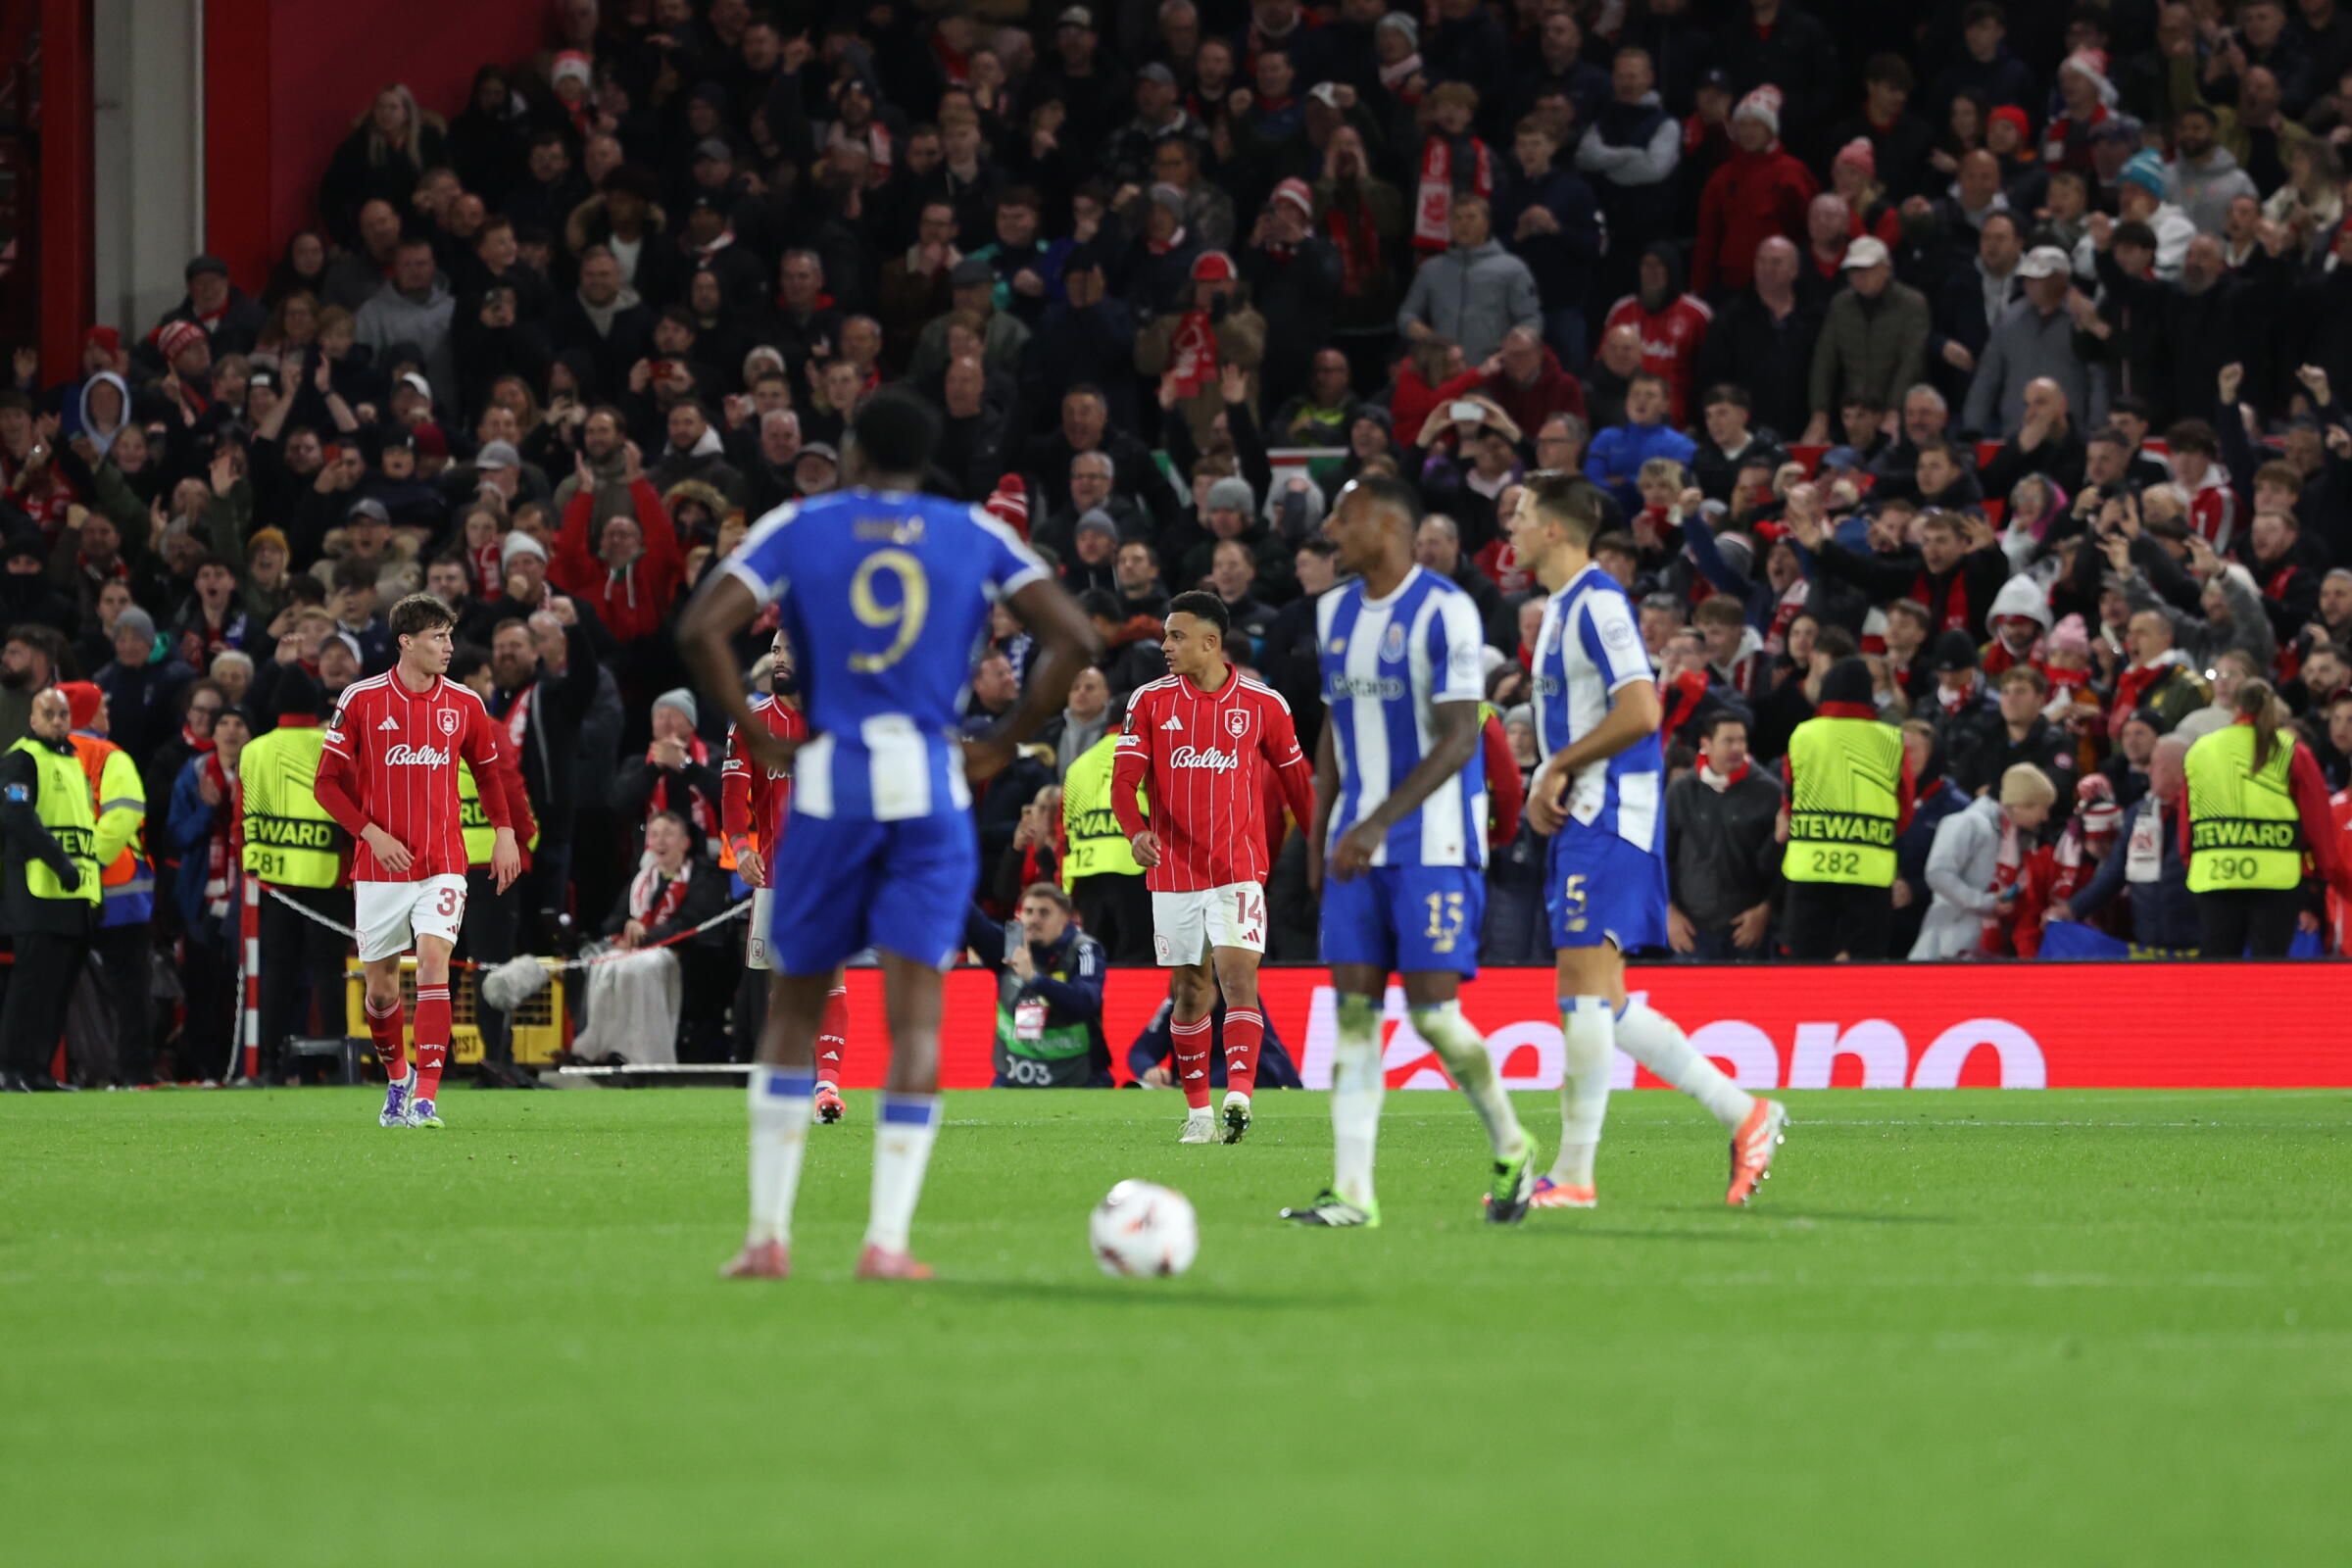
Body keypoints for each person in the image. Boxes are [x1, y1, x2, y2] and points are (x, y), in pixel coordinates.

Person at [677, 387, 1097, 1283]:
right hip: (928, 785)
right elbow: (1073, 633)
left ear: (856, 454)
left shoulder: (802, 524)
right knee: (914, 1017)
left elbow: (702, 626)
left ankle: (767, 1238)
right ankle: (887, 1243)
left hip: (830, 783)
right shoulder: (973, 532)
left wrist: (755, 736)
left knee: (793, 1005)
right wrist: (1003, 740)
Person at [1511, 470, 1788, 1210]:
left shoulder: (1598, 602)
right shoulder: (1562, 607)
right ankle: (1744, 1113)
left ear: (1554, 529)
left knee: (1582, 996)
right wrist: (1548, 776)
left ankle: (1574, 1175)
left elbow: (1640, 709)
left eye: (1521, 515)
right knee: (1605, 1000)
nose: (1510, 528)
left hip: (1609, 815)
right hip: (1587, 815)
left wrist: (1557, 768)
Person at [1280, 475, 1535, 1229]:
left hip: (1434, 843)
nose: (1331, 530)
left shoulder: (1446, 610)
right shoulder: (1331, 611)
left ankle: (1513, 1145)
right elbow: (1333, 730)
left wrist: (1374, 826)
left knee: (1433, 1018)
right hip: (1355, 852)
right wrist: (1323, 832)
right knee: (1354, 1017)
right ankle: (1352, 1192)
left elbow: (1459, 738)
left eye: (1344, 517)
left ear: (1389, 525)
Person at [313, 594, 524, 1129]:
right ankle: (398, 1078)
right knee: (381, 989)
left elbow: (488, 774)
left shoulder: (465, 704)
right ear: (406, 642)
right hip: (380, 866)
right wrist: (371, 834)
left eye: (449, 636)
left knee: (434, 962)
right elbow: (326, 785)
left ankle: (427, 1097)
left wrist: (504, 833)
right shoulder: (361, 699)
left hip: (443, 862)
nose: (448, 647)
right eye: (438, 637)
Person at [1111, 590, 1316, 1145]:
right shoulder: (1149, 702)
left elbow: (1300, 786)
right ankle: (1199, 1112)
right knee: (1190, 992)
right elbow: (1124, 784)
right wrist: (1136, 832)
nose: (1165, 645)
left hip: (1239, 867)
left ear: (1210, 642)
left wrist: (1319, 853)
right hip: (1174, 872)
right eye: (1166, 635)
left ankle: (1239, 1095)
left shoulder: (1264, 704)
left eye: (1176, 636)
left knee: (1238, 977)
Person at [721, 629, 849, 1119]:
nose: (779, 658)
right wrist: (740, 847)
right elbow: (734, 798)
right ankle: (794, 1083)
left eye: (789, 649)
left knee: (831, 978)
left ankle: (827, 1086)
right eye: (775, 649)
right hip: (778, 877)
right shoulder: (752, 724)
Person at [235, 669, 354, 1085]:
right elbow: (353, 806)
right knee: (329, 972)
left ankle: (270, 1063)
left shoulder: (253, 750)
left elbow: (239, 816)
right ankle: (337, 1063)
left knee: (276, 973)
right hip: (327, 876)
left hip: (273, 881)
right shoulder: (331, 744)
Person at [2181, 680, 2351, 957]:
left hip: (2215, 875)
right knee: (2269, 969)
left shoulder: (2201, 750)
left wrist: (2191, 860)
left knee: (2216, 968)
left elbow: (2187, 816)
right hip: (2277, 881)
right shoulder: (2292, 751)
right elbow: (2316, 820)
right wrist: (2320, 875)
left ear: (2236, 708)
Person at [1779, 656, 1913, 958]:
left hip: (1810, 869)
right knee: (1864, 969)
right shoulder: (1891, 740)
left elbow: (1789, 799)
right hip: (1870, 871)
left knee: (1806, 968)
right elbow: (1904, 810)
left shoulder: (1804, 735)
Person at [0, 689, 99, 1092]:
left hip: (74, 894)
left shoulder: (73, 759)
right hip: (37, 891)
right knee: (30, 985)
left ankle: (38, 1070)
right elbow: (16, 816)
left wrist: (91, 889)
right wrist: (59, 863)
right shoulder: (21, 759)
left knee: (59, 988)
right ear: (33, 719)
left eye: (63, 714)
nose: (58, 721)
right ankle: (10, 1069)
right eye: (49, 714)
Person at [58, 681, 154, 1084]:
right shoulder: (110, 756)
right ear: (86, 713)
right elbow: (123, 817)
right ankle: (133, 1074)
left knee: (53, 988)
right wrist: (89, 862)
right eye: (102, 708)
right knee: (130, 991)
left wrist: (66, 868)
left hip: (57, 891)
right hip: (119, 894)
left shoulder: (41, 756)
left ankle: (47, 1071)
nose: (107, 715)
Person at [961, 882, 1112, 1088]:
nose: (1034, 919)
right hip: (1014, 1079)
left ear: (1065, 918)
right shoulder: (1011, 945)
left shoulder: (1084, 949)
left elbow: (1086, 1002)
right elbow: (974, 923)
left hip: (1079, 1080)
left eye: (1044, 913)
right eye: (1028, 911)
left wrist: (1035, 979)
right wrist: (949, 884)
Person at [1666, 711, 1782, 958]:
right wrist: (1669, 912)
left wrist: (1765, 910)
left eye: (1742, 740)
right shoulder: (1680, 791)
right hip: (1691, 931)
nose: (1737, 748)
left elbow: (1784, 861)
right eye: (1728, 741)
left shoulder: (1770, 792)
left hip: (1748, 931)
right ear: (1706, 744)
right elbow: (1662, 857)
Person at [1910, 762, 2055, 958]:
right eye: (2043, 808)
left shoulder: (2017, 838)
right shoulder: (1967, 823)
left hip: (1985, 950)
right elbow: (1938, 874)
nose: (2045, 817)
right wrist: (1984, 902)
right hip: (1945, 946)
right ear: (2020, 805)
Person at [1058, 726, 1152, 963]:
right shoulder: (1148, 755)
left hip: (1087, 869)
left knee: (1096, 958)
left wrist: (1067, 882)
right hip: (1135, 866)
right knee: (1137, 957)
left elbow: (1066, 824)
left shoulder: (1079, 764)